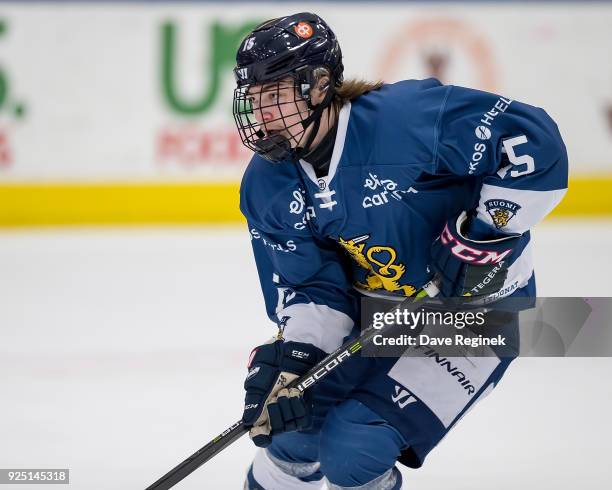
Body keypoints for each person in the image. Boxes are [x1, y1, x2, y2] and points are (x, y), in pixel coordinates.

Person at [232, 12, 567, 490]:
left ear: (320, 84)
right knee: (290, 434)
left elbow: (533, 143)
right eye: (253, 97)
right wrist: (294, 359)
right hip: (383, 316)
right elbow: (313, 287)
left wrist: (484, 233)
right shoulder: (267, 184)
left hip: (474, 316)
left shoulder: (407, 120)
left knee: (354, 448)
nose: (260, 113)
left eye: (274, 95)